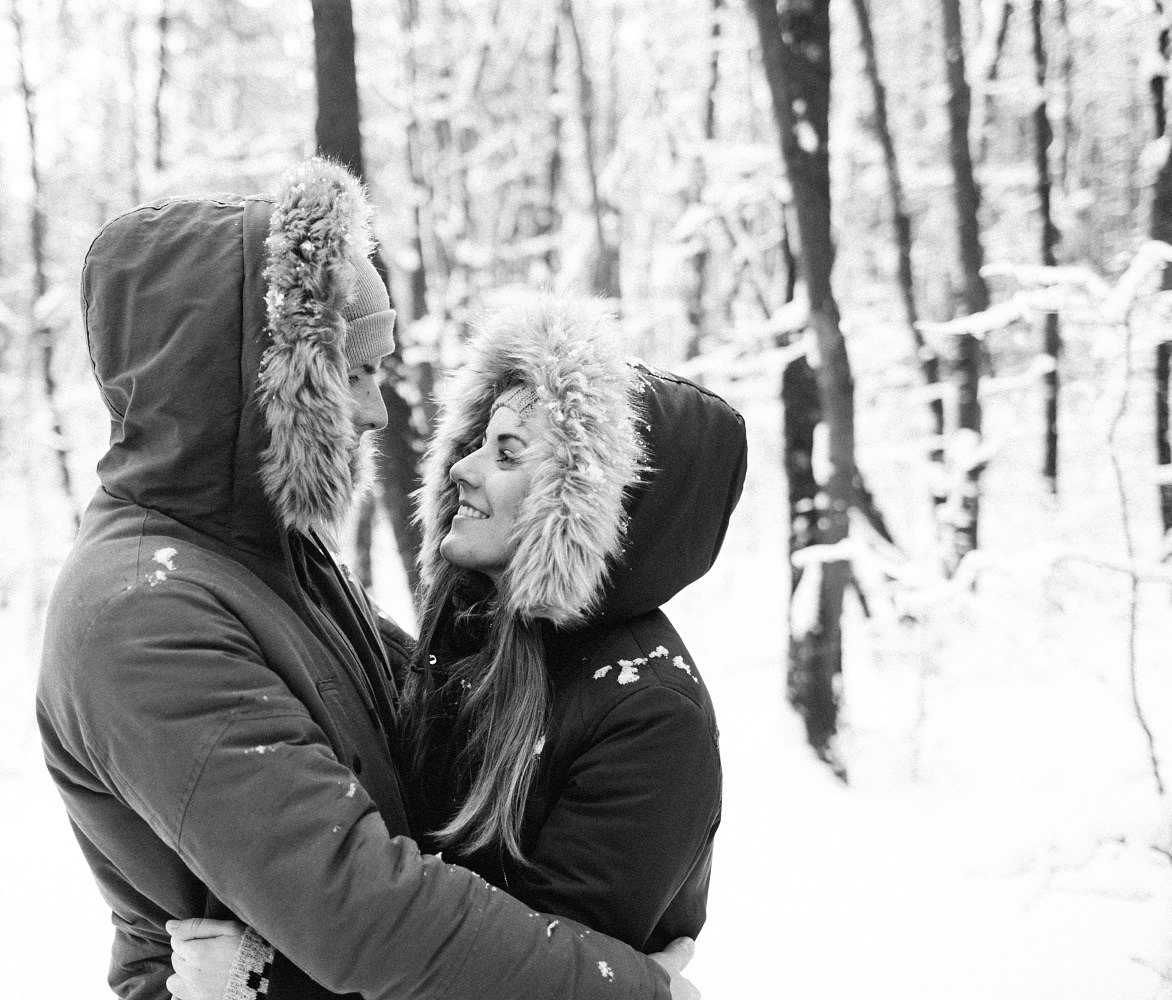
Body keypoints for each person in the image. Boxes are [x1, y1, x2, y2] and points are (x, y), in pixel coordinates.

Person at [37, 160, 697, 1000]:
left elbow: (422, 735)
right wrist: (629, 991)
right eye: (351, 373)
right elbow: (358, 903)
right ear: (254, 383)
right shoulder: (144, 610)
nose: (376, 411)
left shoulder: (262, 557)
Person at [168, 297, 747, 997]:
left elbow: (530, 982)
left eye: (508, 453)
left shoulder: (647, 716)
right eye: (479, 441)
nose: (462, 469)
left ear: (586, 504)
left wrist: (272, 982)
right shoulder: (475, 639)